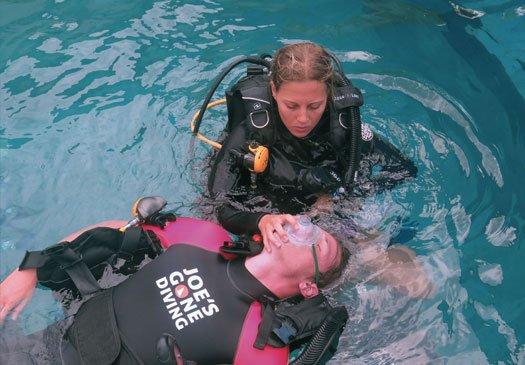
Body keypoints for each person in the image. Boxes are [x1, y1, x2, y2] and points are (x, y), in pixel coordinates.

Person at [0, 216, 350, 365]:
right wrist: (31, 268)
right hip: (43, 345)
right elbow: (114, 231)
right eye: (313, 227)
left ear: (308, 286)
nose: (309, 232)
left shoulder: (264, 350)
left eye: (321, 245)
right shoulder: (208, 237)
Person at [206, 42, 418, 248]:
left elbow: (404, 170)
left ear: (328, 94)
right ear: (274, 90)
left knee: (377, 257)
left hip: (328, 213)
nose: (303, 118)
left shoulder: (345, 127)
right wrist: (261, 220)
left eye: (314, 106)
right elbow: (219, 204)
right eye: (291, 105)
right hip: (264, 209)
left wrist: (339, 196)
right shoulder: (252, 130)